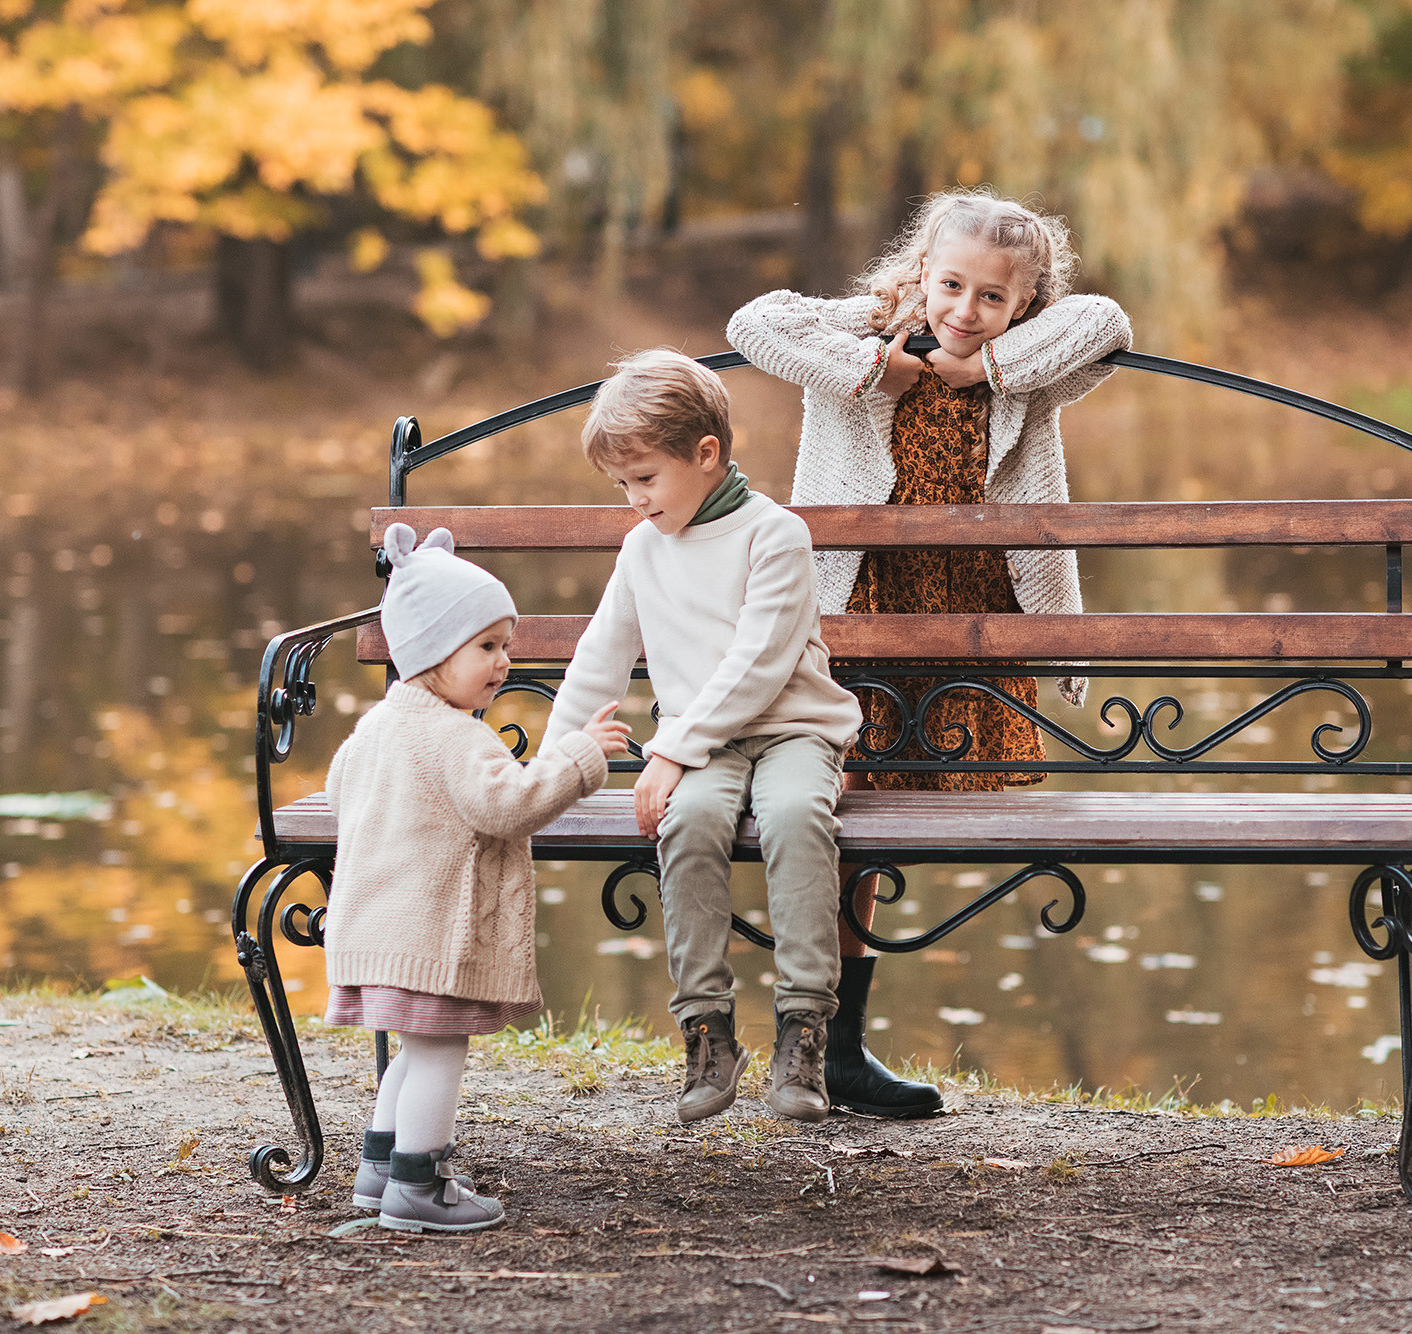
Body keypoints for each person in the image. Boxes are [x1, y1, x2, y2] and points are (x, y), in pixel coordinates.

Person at [726, 188, 1132, 1118]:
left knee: (880, 833)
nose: (963, 308)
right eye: (950, 284)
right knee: (844, 821)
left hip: (972, 616)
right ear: (920, 273)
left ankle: (836, 1048)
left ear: (1023, 307)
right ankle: (819, 1041)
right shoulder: (867, 328)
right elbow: (755, 321)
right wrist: (882, 370)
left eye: (993, 297)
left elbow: (1107, 323)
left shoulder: (1027, 368)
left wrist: (977, 368)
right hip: (859, 605)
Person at [543, 349, 864, 1125]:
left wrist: (669, 750)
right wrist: (552, 758)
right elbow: (603, 654)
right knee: (685, 820)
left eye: (645, 479)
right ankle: (707, 1031)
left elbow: (759, 665)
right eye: (623, 486)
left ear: (707, 454)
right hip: (703, 744)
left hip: (792, 732)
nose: (635, 501)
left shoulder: (774, 535)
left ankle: (804, 1028)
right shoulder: (643, 548)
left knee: (793, 817)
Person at [325, 522, 630, 1233]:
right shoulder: (457, 736)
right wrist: (581, 758)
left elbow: (342, 793)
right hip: (434, 935)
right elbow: (509, 806)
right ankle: (418, 1186)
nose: (503, 663)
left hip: (380, 928)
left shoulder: (375, 727)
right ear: (432, 651)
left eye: (507, 647)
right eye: (487, 647)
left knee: (412, 1047)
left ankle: (379, 1171)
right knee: (438, 1052)